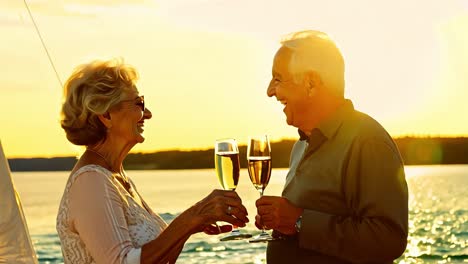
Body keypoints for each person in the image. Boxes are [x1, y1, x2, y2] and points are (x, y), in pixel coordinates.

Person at [56, 58, 249, 264]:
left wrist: (193, 224)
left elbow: (159, 260)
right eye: (139, 103)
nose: (147, 114)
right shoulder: (91, 180)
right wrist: (192, 216)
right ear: (106, 114)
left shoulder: (116, 177)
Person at [255, 30, 408, 263]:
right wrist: (279, 220)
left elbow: (388, 238)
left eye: (278, 79)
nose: (270, 91)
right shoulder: (302, 145)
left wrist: (298, 221)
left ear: (310, 83)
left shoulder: (366, 141)